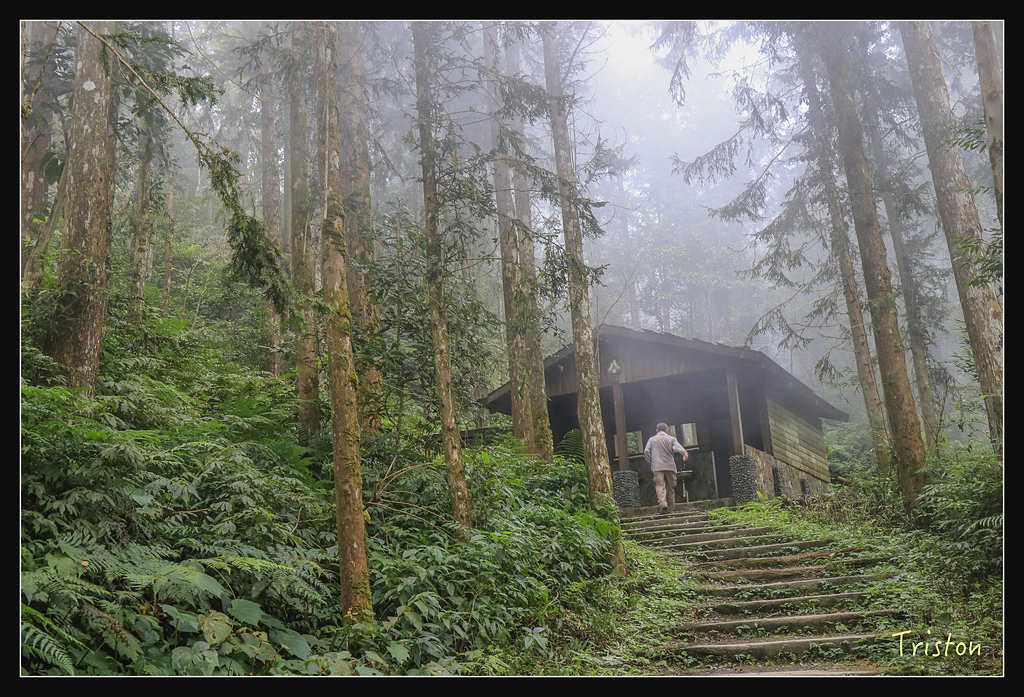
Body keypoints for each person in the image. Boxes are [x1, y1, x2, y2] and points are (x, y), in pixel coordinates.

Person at [644, 423, 688, 514]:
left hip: (657, 467)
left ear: (656, 430)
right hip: (670, 466)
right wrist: (684, 454)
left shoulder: (652, 440)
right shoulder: (671, 439)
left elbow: (646, 451)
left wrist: (651, 462)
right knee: (671, 488)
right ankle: (671, 509)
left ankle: (663, 504)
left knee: (660, 486)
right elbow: (678, 448)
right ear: (667, 430)